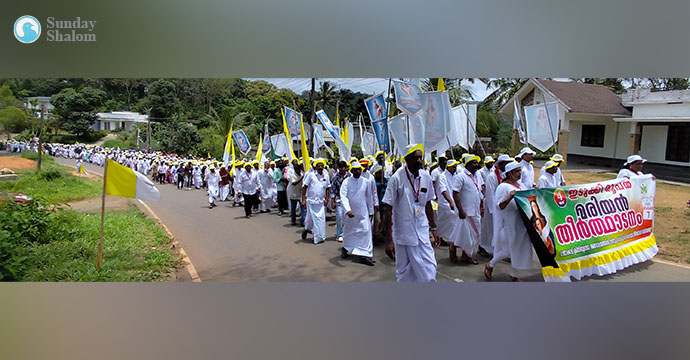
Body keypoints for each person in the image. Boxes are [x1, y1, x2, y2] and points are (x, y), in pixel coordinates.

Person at [382, 144, 440, 282]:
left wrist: (434, 228)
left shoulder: (426, 177)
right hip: (403, 233)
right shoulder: (396, 179)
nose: (419, 160)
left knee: (429, 267)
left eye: (420, 157)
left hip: (422, 231)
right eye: (416, 158)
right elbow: (388, 210)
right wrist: (389, 240)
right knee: (404, 271)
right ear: (407, 159)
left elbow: (428, 204)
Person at [485, 161, 534, 282]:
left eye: (520, 171)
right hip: (508, 223)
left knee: (519, 249)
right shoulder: (503, 187)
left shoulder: (520, 185)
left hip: (520, 223)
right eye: (517, 171)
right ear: (510, 173)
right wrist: (510, 197)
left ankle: (513, 274)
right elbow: (499, 206)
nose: (519, 173)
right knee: (507, 250)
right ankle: (490, 265)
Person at [449, 155, 483, 264]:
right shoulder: (461, 176)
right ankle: (465, 254)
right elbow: (455, 193)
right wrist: (461, 210)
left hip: (475, 210)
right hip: (466, 211)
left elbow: (480, 190)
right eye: (473, 163)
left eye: (476, 162)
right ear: (467, 165)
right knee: (472, 234)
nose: (476, 165)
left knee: (463, 234)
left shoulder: (478, 175)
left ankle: (464, 254)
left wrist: (481, 206)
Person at [340, 161, 376, 266]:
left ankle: (364, 255)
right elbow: (343, 196)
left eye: (359, 169)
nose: (358, 171)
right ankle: (345, 248)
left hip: (363, 212)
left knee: (365, 230)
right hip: (350, 213)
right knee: (349, 231)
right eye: (355, 169)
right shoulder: (346, 182)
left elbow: (369, 197)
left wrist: (371, 211)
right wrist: (348, 210)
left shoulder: (366, 181)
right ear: (351, 171)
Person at [484, 154, 511, 257]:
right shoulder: (492, 176)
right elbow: (490, 194)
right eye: (506, 163)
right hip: (493, 207)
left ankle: (502, 250)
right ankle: (486, 248)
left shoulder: (506, 175)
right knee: (490, 229)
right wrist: (493, 210)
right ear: (500, 164)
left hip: (503, 207)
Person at [301, 159, 330, 244]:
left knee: (320, 219)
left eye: (322, 165)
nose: (320, 167)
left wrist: (326, 199)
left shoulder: (326, 175)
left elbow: (328, 188)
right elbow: (304, 187)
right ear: (315, 167)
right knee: (313, 219)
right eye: (318, 166)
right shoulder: (310, 175)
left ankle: (318, 237)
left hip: (321, 202)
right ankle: (308, 230)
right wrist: (303, 199)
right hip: (311, 201)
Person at [436, 159, 458, 246]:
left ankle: (453, 240)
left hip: (454, 202)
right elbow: (443, 190)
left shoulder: (456, 176)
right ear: (448, 167)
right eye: (453, 167)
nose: (455, 168)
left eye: (455, 166)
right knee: (443, 222)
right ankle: (441, 238)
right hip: (445, 203)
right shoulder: (442, 176)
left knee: (453, 223)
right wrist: (450, 202)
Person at [330, 160, 350, 242]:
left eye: (343, 167)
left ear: (346, 168)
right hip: (338, 199)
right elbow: (333, 190)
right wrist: (332, 201)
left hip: (348, 199)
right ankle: (340, 234)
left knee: (348, 218)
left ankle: (347, 234)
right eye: (340, 167)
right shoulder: (335, 177)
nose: (341, 169)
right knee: (339, 217)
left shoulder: (349, 176)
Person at [289, 161, 306, 226]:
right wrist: (301, 178)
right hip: (294, 194)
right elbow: (294, 183)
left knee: (302, 208)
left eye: (299, 169)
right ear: (295, 170)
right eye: (297, 169)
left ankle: (302, 220)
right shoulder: (292, 176)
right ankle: (293, 220)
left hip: (301, 194)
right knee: (293, 209)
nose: (299, 170)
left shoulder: (302, 174)